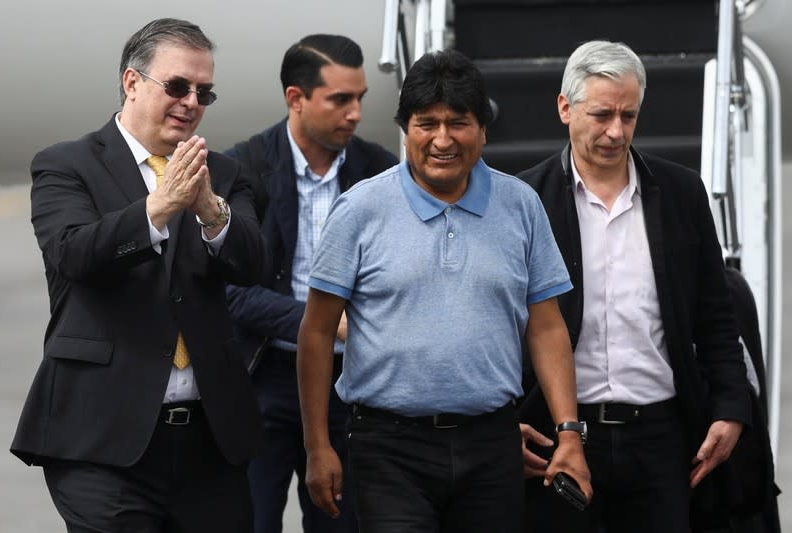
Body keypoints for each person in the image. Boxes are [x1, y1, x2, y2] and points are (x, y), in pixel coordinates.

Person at [297, 48, 591, 533]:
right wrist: (318, 447)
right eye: (426, 123)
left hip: (492, 445)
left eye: (459, 122)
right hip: (387, 448)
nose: (442, 139)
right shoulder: (359, 210)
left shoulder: (521, 205)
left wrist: (569, 434)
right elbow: (316, 332)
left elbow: (546, 327)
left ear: (483, 129)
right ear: (404, 127)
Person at [10, 18, 268, 532]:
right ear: (132, 82)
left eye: (203, 92)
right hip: (102, 441)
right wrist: (159, 208)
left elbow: (253, 264)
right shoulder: (67, 165)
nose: (191, 101)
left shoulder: (221, 173)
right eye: (177, 86)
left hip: (208, 445)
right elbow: (73, 254)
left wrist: (209, 211)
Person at [517, 40, 753, 532]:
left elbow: (715, 313)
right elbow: (498, 325)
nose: (616, 131)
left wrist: (731, 409)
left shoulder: (682, 193)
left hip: (663, 440)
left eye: (629, 115)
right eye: (602, 114)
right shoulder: (525, 200)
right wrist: (501, 425)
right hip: (557, 437)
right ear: (565, 107)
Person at [224, 34, 397, 533]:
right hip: (265, 377)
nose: (356, 113)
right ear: (295, 99)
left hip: (351, 386)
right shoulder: (243, 169)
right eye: (340, 100)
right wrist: (322, 323)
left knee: (342, 523)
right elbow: (229, 290)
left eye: (360, 98)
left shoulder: (379, 171)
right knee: (251, 521)